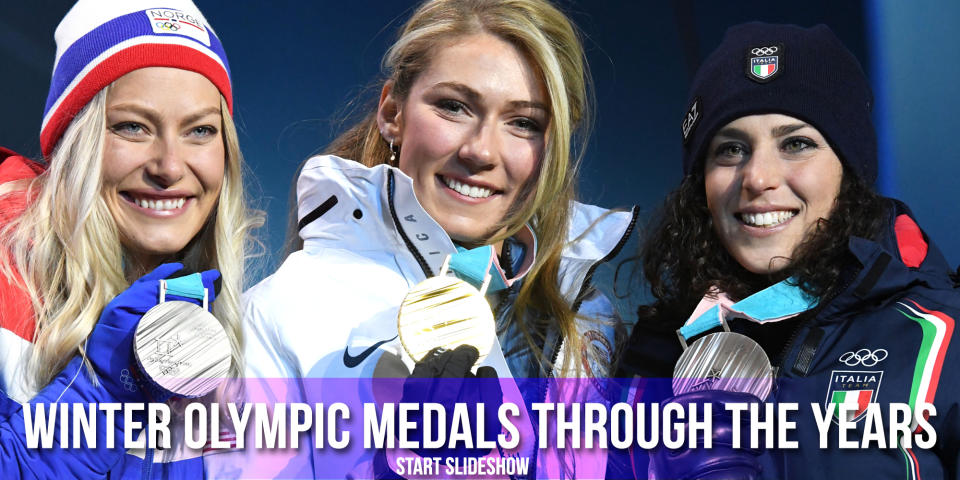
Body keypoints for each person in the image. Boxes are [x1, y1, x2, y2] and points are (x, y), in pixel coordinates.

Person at [228, 0, 636, 477]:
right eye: (453, 107)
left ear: (552, 150)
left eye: (523, 122)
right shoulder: (281, 311)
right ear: (392, 113)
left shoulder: (588, 319)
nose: (481, 149)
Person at [615, 22, 960, 479]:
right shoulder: (653, 351)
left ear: (849, 170)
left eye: (796, 144)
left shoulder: (940, 336)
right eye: (730, 149)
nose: (758, 178)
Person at [0, 1, 259, 477]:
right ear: (76, 144)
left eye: (200, 130)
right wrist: (100, 395)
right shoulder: (5, 295)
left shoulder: (238, 328)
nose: (170, 166)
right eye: (133, 127)